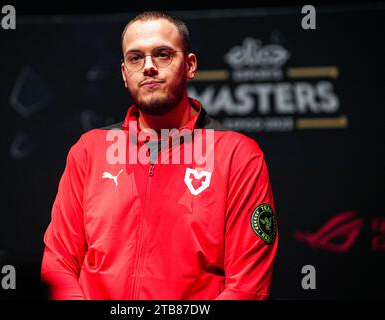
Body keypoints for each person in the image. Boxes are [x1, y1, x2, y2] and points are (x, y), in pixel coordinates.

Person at [41, 11, 278, 300]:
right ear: (124, 73)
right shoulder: (89, 150)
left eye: (163, 54)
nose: (148, 67)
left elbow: (247, 288)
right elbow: (58, 264)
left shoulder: (237, 155)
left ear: (189, 65)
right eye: (135, 58)